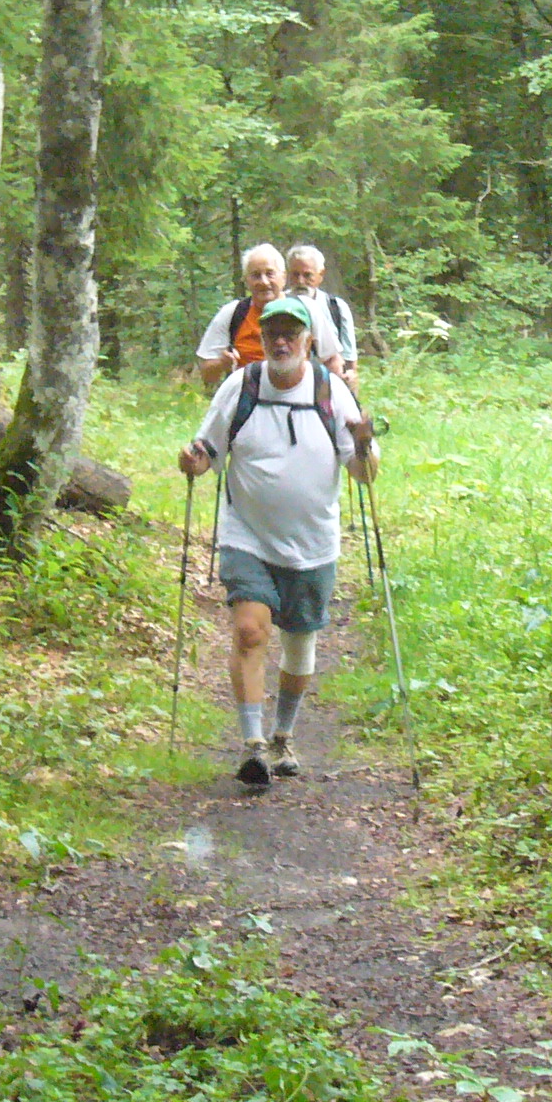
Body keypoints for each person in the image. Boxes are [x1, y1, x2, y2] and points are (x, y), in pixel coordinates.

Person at [177, 295, 374, 784]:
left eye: (291, 334)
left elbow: (364, 474)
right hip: (247, 533)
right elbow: (208, 450)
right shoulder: (241, 385)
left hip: (312, 541)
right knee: (249, 631)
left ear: (309, 341)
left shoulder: (331, 391)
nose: (281, 342)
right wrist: (193, 461)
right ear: (261, 339)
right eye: (272, 335)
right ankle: (254, 746)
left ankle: (283, 734)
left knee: (300, 644)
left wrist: (364, 444)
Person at [197, 244, 343, 386]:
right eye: (256, 275)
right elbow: (207, 374)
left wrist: (332, 393)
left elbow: (331, 359)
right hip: (249, 394)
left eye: (270, 274)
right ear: (246, 280)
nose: (264, 282)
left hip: (298, 393)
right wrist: (222, 364)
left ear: (283, 277)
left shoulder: (306, 308)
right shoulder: (233, 313)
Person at [284, 244, 358, 382]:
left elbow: (350, 362)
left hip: (328, 384)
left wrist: (350, 384)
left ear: (321, 275)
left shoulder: (336, 308)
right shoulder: (279, 305)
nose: (300, 281)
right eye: (295, 274)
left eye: (307, 275)